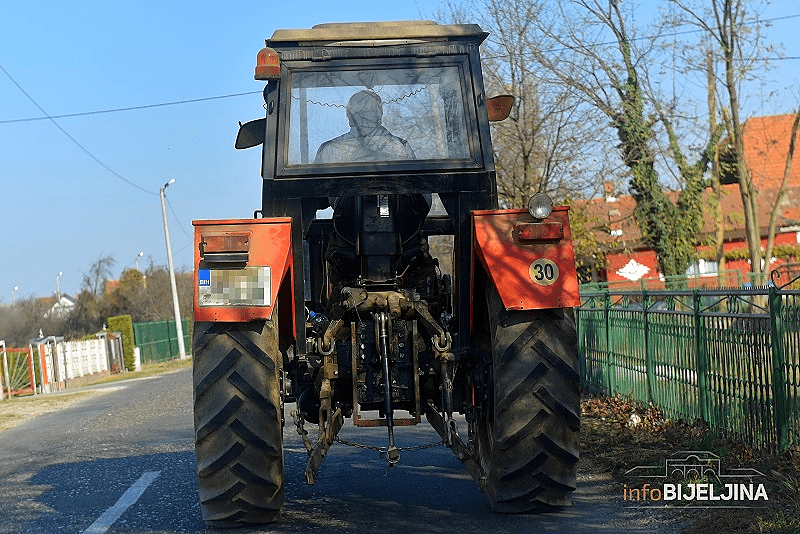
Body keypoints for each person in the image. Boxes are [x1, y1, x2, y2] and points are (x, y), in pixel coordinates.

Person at [314, 90, 416, 164]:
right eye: (358, 112)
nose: (362, 117)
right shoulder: (400, 147)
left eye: (366, 111)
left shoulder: (329, 149)